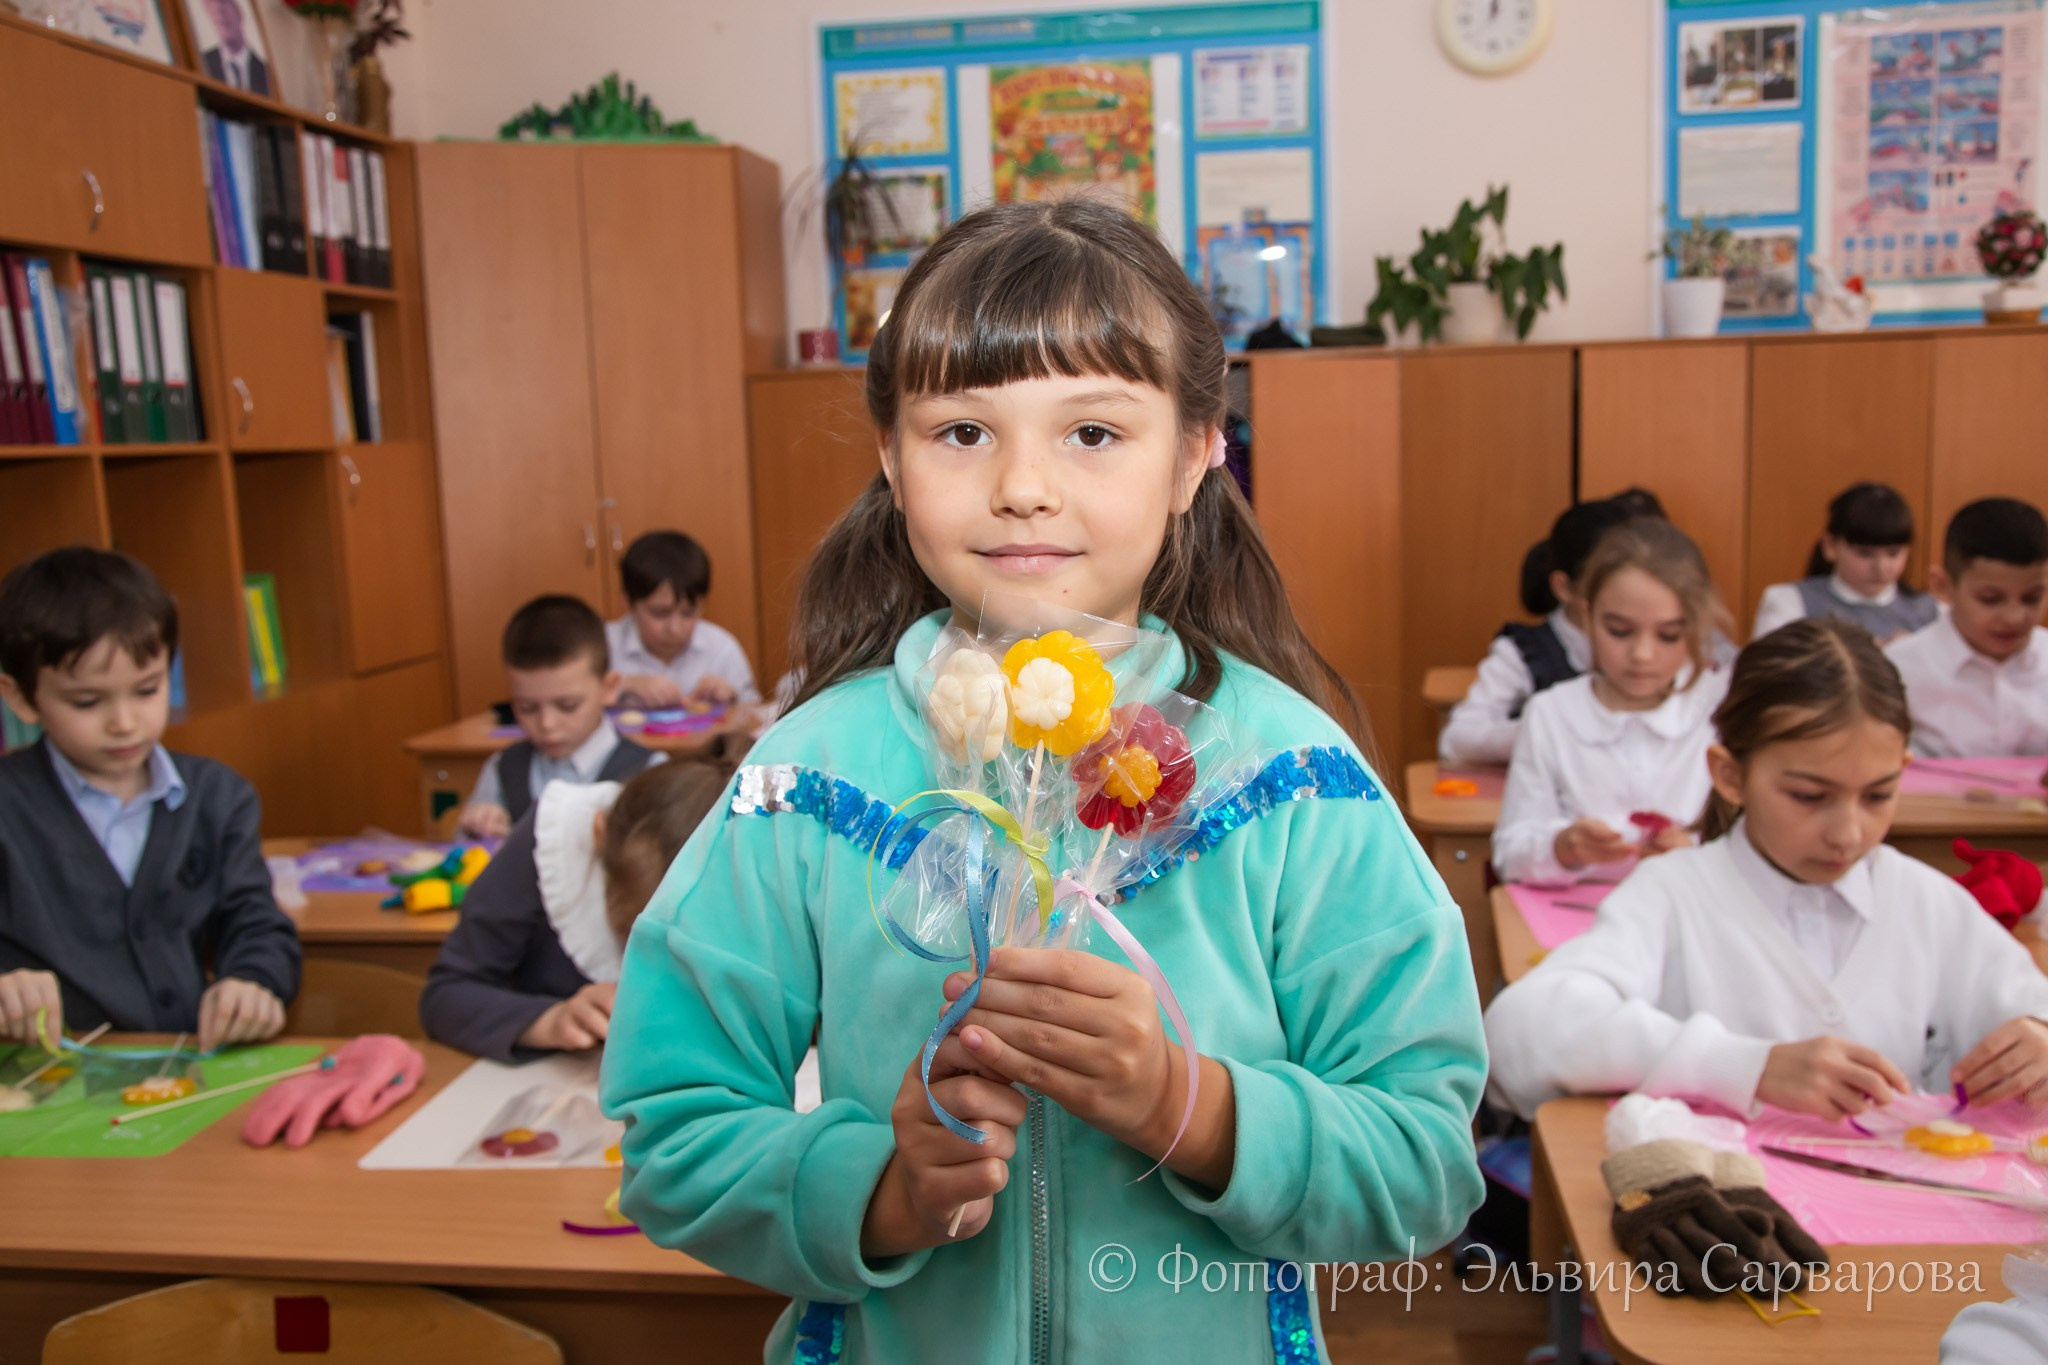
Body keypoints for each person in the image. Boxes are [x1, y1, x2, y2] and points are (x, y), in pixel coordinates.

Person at [600, 198, 1486, 1362]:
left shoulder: (1293, 775)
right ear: (889, 457)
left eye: (1093, 433)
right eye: (962, 432)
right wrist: (884, 1190)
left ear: (1195, 455)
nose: (1022, 485)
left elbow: (1423, 1162)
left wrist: (1188, 1106)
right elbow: (673, 1133)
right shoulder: (802, 775)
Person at [1486, 618, 2048, 1121]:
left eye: (1877, 795)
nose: (1847, 833)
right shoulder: (1675, 892)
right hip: (1730, 1230)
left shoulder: (1927, 901)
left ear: (1903, 769)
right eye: (1808, 796)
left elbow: (2026, 1007)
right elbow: (1518, 1033)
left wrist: (2037, 1039)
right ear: (1730, 776)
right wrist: (1746, 1065)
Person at [0, 547, 298, 1047]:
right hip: (49, 1088)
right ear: (20, 698)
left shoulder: (218, 797)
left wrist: (253, 982)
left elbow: (256, 924)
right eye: (88, 702)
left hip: (183, 1077)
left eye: (147, 689)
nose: (124, 722)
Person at [421, 740, 746, 1062]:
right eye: (632, 921)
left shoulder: (757, 868)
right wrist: (552, 1020)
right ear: (599, 835)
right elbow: (445, 998)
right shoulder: (551, 842)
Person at [1492, 518, 1730, 885]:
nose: (1642, 654)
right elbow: (1510, 853)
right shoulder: (1551, 713)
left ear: (1697, 627)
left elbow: (1753, 853)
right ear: (1586, 617)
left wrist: (1695, 855)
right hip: (1576, 925)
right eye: (1619, 631)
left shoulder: (1719, 710)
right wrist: (1563, 847)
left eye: (1668, 635)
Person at [1439, 493, 1659, 767]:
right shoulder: (1525, 652)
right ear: (1565, 588)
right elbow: (1457, 738)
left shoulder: (1658, 648)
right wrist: (1547, 728)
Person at [458, 595, 661, 840]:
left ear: (609, 688)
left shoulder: (651, 772)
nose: (547, 724)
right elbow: (467, 856)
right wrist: (476, 828)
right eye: (527, 708)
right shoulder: (503, 767)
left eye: (567, 706)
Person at [1885, 497, 2048, 757]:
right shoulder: (1897, 669)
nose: (2015, 617)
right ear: (1942, 586)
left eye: (2032, 598)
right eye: (1991, 599)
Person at [1751, 482, 1936, 642]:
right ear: (1831, 546)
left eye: (1893, 553)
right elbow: (1769, 672)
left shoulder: (1932, 611)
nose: (1881, 567)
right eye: (1865, 554)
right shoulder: (1790, 602)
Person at [606, 531, 760, 710]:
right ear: (627, 601)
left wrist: (732, 699)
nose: (675, 628)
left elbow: (754, 716)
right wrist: (624, 685)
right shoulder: (603, 645)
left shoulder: (721, 648)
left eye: (688, 613)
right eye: (660, 613)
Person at [197, 0, 271, 97]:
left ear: (239, 12)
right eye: (213, 8)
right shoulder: (203, 63)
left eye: (224, 3)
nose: (220, 13)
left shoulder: (265, 73)